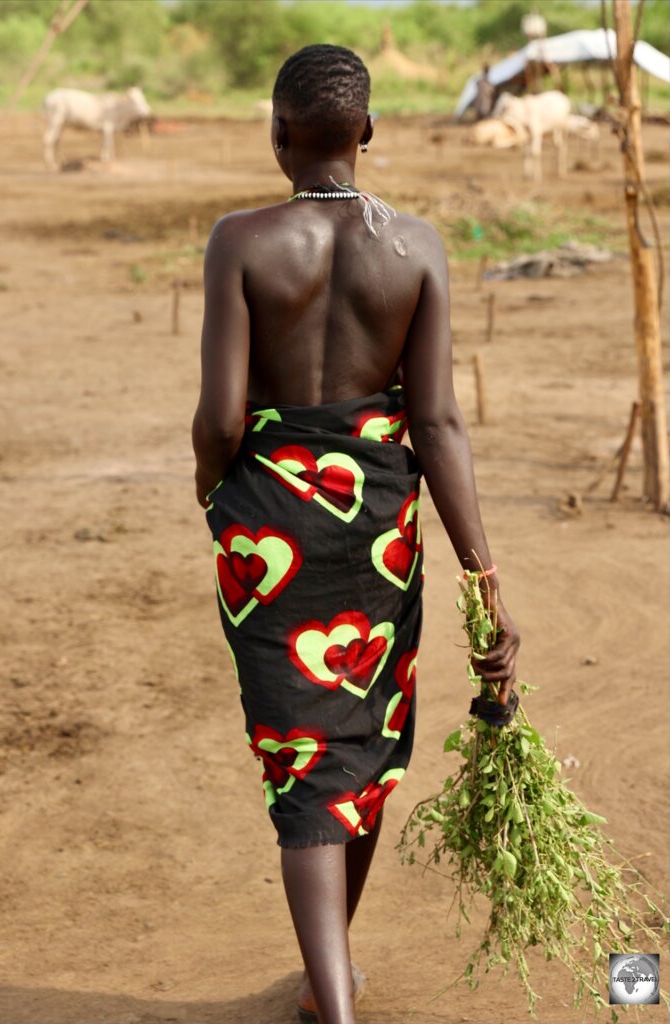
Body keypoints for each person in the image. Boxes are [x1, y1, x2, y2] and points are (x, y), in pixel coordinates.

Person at [192, 44, 520, 1024]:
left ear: (279, 134)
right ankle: (326, 973)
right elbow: (439, 425)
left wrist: (214, 487)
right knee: (366, 750)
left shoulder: (240, 241)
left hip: (273, 534)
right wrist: (484, 578)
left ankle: (330, 1004)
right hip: (380, 529)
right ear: (367, 133)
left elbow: (220, 416)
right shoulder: (415, 247)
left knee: (304, 758)